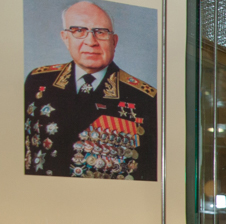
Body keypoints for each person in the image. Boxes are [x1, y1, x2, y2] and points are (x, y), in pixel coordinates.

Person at [24, 2, 158, 180]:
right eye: (79, 31)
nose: (90, 42)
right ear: (65, 38)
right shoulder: (38, 81)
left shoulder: (144, 98)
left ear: (114, 41)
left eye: (100, 32)